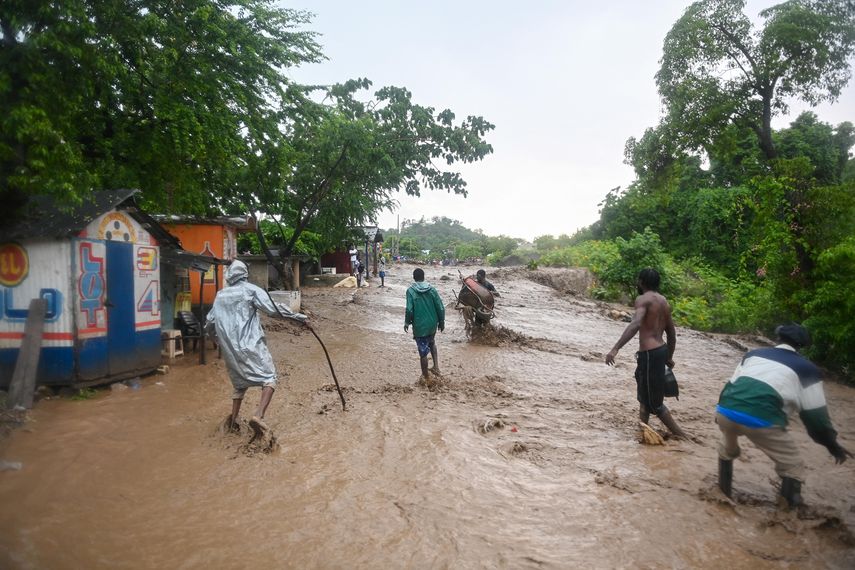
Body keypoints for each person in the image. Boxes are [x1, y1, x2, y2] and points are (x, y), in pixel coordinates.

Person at [715, 323, 851, 507]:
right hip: (761, 420)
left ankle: (722, 495)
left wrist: (719, 416)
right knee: (793, 467)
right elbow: (816, 419)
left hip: (725, 411)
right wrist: (831, 444)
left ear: (777, 338)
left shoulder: (753, 355)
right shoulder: (808, 370)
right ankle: (786, 517)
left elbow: (730, 385)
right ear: (802, 346)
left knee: (727, 449)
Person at [205, 260, 309, 438]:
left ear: (230, 276)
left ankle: (234, 420)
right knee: (269, 378)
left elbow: (209, 323)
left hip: (230, 350)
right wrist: (298, 317)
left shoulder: (220, 295)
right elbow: (273, 309)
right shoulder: (251, 290)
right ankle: (258, 415)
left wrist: (217, 341)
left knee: (239, 384)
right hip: (251, 345)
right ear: (245, 274)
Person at [605, 268, 688, 439]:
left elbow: (635, 324)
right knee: (644, 398)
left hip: (649, 355)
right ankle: (643, 433)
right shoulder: (664, 301)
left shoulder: (643, 299)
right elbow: (671, 334)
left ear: (641, 282)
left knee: (655, 404)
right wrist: (669, 357)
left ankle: (683, 437)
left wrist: (615, 348)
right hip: (659, 351)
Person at [404, 268, 445, 380]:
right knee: (432, 343)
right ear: (424, 277)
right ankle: (436, 367)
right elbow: (440, 307)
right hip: (432, 324)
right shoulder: (432, 290)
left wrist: (407, 322)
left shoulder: (410, 291)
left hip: (420, 326)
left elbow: (409, 310)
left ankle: (425, 377)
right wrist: (441, 322)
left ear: (414, 277)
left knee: (423, 351)